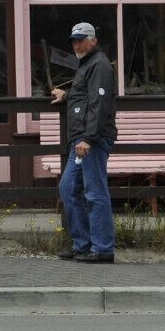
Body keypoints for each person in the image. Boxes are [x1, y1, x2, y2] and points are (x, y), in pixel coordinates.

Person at [49, 21, 118, 264]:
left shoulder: (99, 65)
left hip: (91, 139)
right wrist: (66, 95)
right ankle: (83, 244)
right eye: (74, 40)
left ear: (93, 41)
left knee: (94, 192)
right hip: (81, 137)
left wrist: (89, 138)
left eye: (81, 39)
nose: (77, 44)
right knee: (68, 188)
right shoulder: (88, 65)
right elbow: (86, 97)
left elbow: (99, 105)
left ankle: (102, 249)